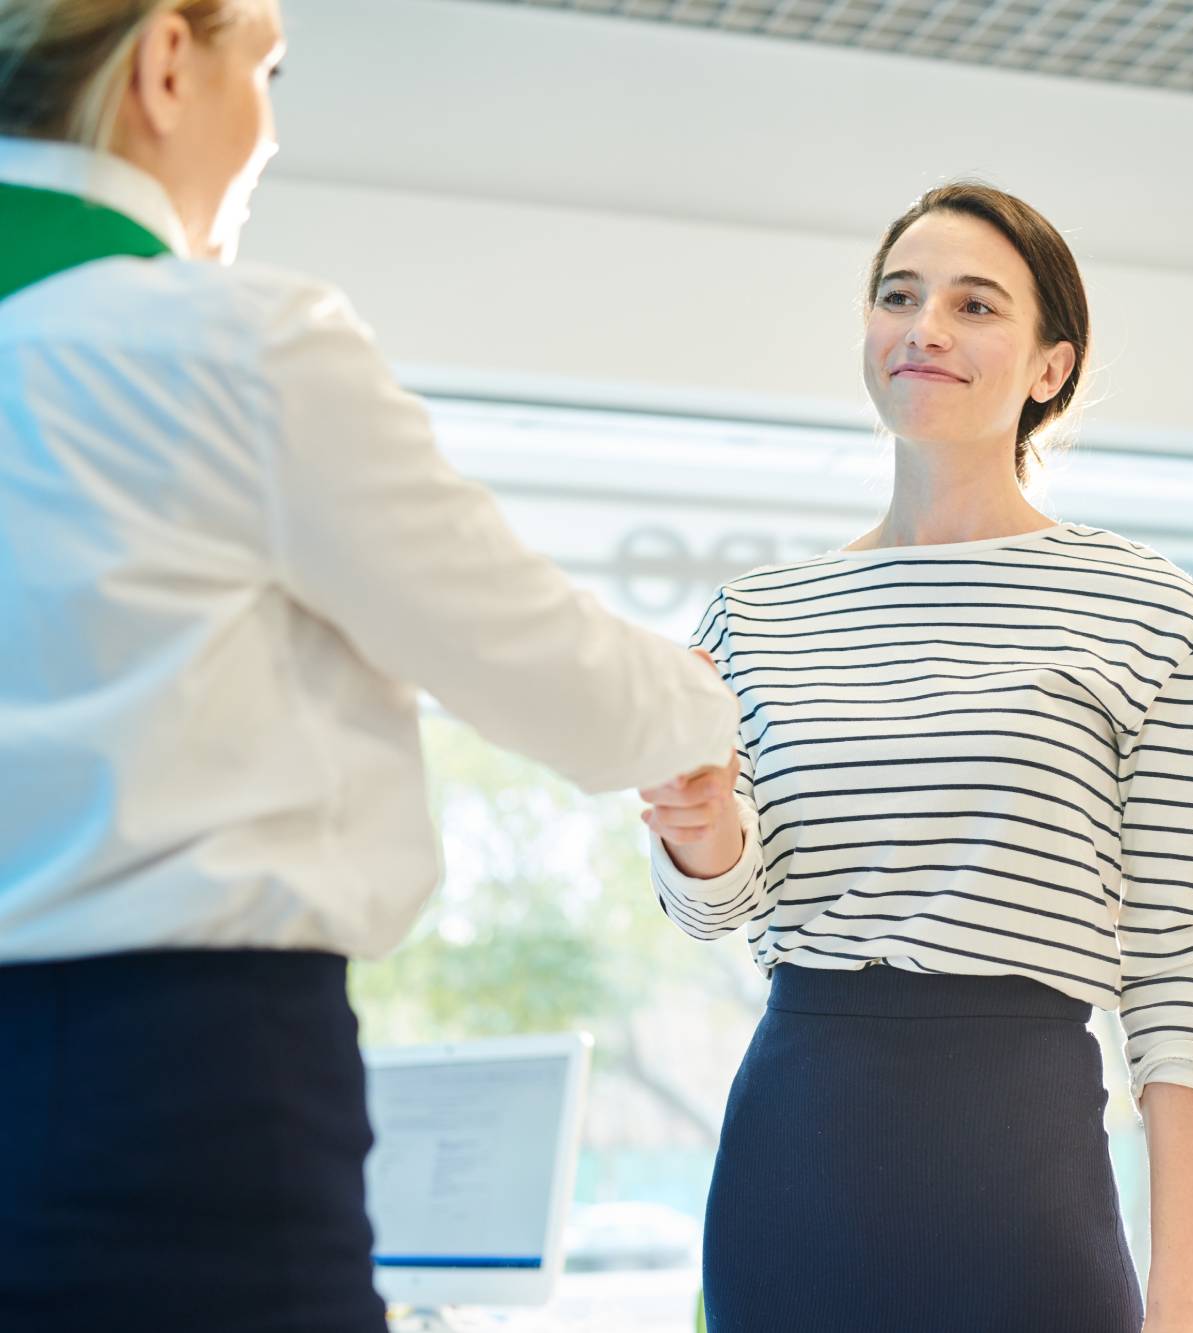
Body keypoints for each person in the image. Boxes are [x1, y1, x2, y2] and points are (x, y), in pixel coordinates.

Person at [0, 3, 739, 1329]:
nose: (273, 130)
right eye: (266, 71)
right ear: (168, 63)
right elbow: (529, 657)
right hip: (181, 1095)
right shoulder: (223, 342)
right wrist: (701, 708)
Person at [641, 182, 1193, 1332]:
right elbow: (716, 914)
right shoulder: (755, 616)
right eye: (897, 296)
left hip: (1021, 1166)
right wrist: (698, 826)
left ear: (1048, 367)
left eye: (973, 305)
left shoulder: (1149, 613)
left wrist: (1185, 1283)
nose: (923, 329)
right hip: (793, 1147)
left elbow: (1173, 973)